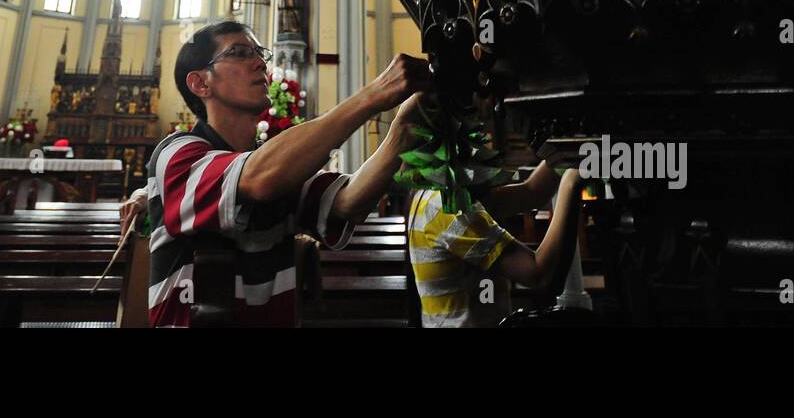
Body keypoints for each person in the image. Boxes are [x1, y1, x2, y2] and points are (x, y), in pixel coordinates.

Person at [119, 20, 431, 327]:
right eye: (240, 52)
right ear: (201, 83)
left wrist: (402, 132)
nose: (259, 63)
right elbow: (257, 180)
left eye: (260, 53)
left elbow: (348, 201)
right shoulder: (177, 153)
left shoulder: (279, 164)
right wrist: (373, 96)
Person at [408, 135, 585, 327]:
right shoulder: (448, 208)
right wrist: (570, 183)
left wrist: (566, 152)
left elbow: (531, 192)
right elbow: (541, 275)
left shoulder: (430, 193)